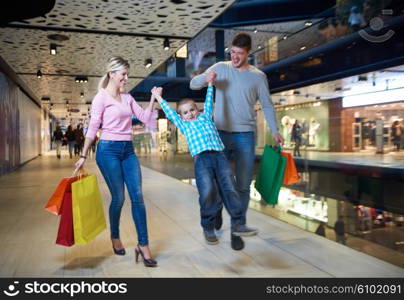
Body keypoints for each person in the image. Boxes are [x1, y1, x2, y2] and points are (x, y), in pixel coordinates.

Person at [190, 33, 284, 233]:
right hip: (219, 136)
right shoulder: (220, 68)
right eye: (232, 52)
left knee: (242, 184)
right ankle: (215, 214)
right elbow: (193, 84)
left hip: (245, 136)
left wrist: (275, 131)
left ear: (248, 53)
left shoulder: (258, 77)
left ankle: (238, 224)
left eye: (239, 53)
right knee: (216, 181)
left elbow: (267, 105)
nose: (234, 57)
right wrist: (207, 78)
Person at [151, 73, 255, 251]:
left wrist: (210, 83)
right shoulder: (184, 125)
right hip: (202, 160)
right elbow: (168, 111)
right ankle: (208, 227)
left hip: (219, 156)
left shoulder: (206, 116)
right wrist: (158, 96)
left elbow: (209, 100)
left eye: (192, 110)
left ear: (197, 109)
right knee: (207, 192)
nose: (189, 114)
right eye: (185, 113)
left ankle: (238, 224)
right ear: (181, 117)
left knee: (230, 188)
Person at [74, 56, 157, 267]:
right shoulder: (100, 98)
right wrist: (83, 155)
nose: (126, 78)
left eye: (127, 74)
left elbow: (146, 119)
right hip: (108, 151)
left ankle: (143, 245)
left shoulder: (128, 98)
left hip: (128, 150)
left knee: (138, 196)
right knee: (119, 197)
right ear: (112, 74)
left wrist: (154, 98)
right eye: (123, 74)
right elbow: (93, 129)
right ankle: (115, 236)